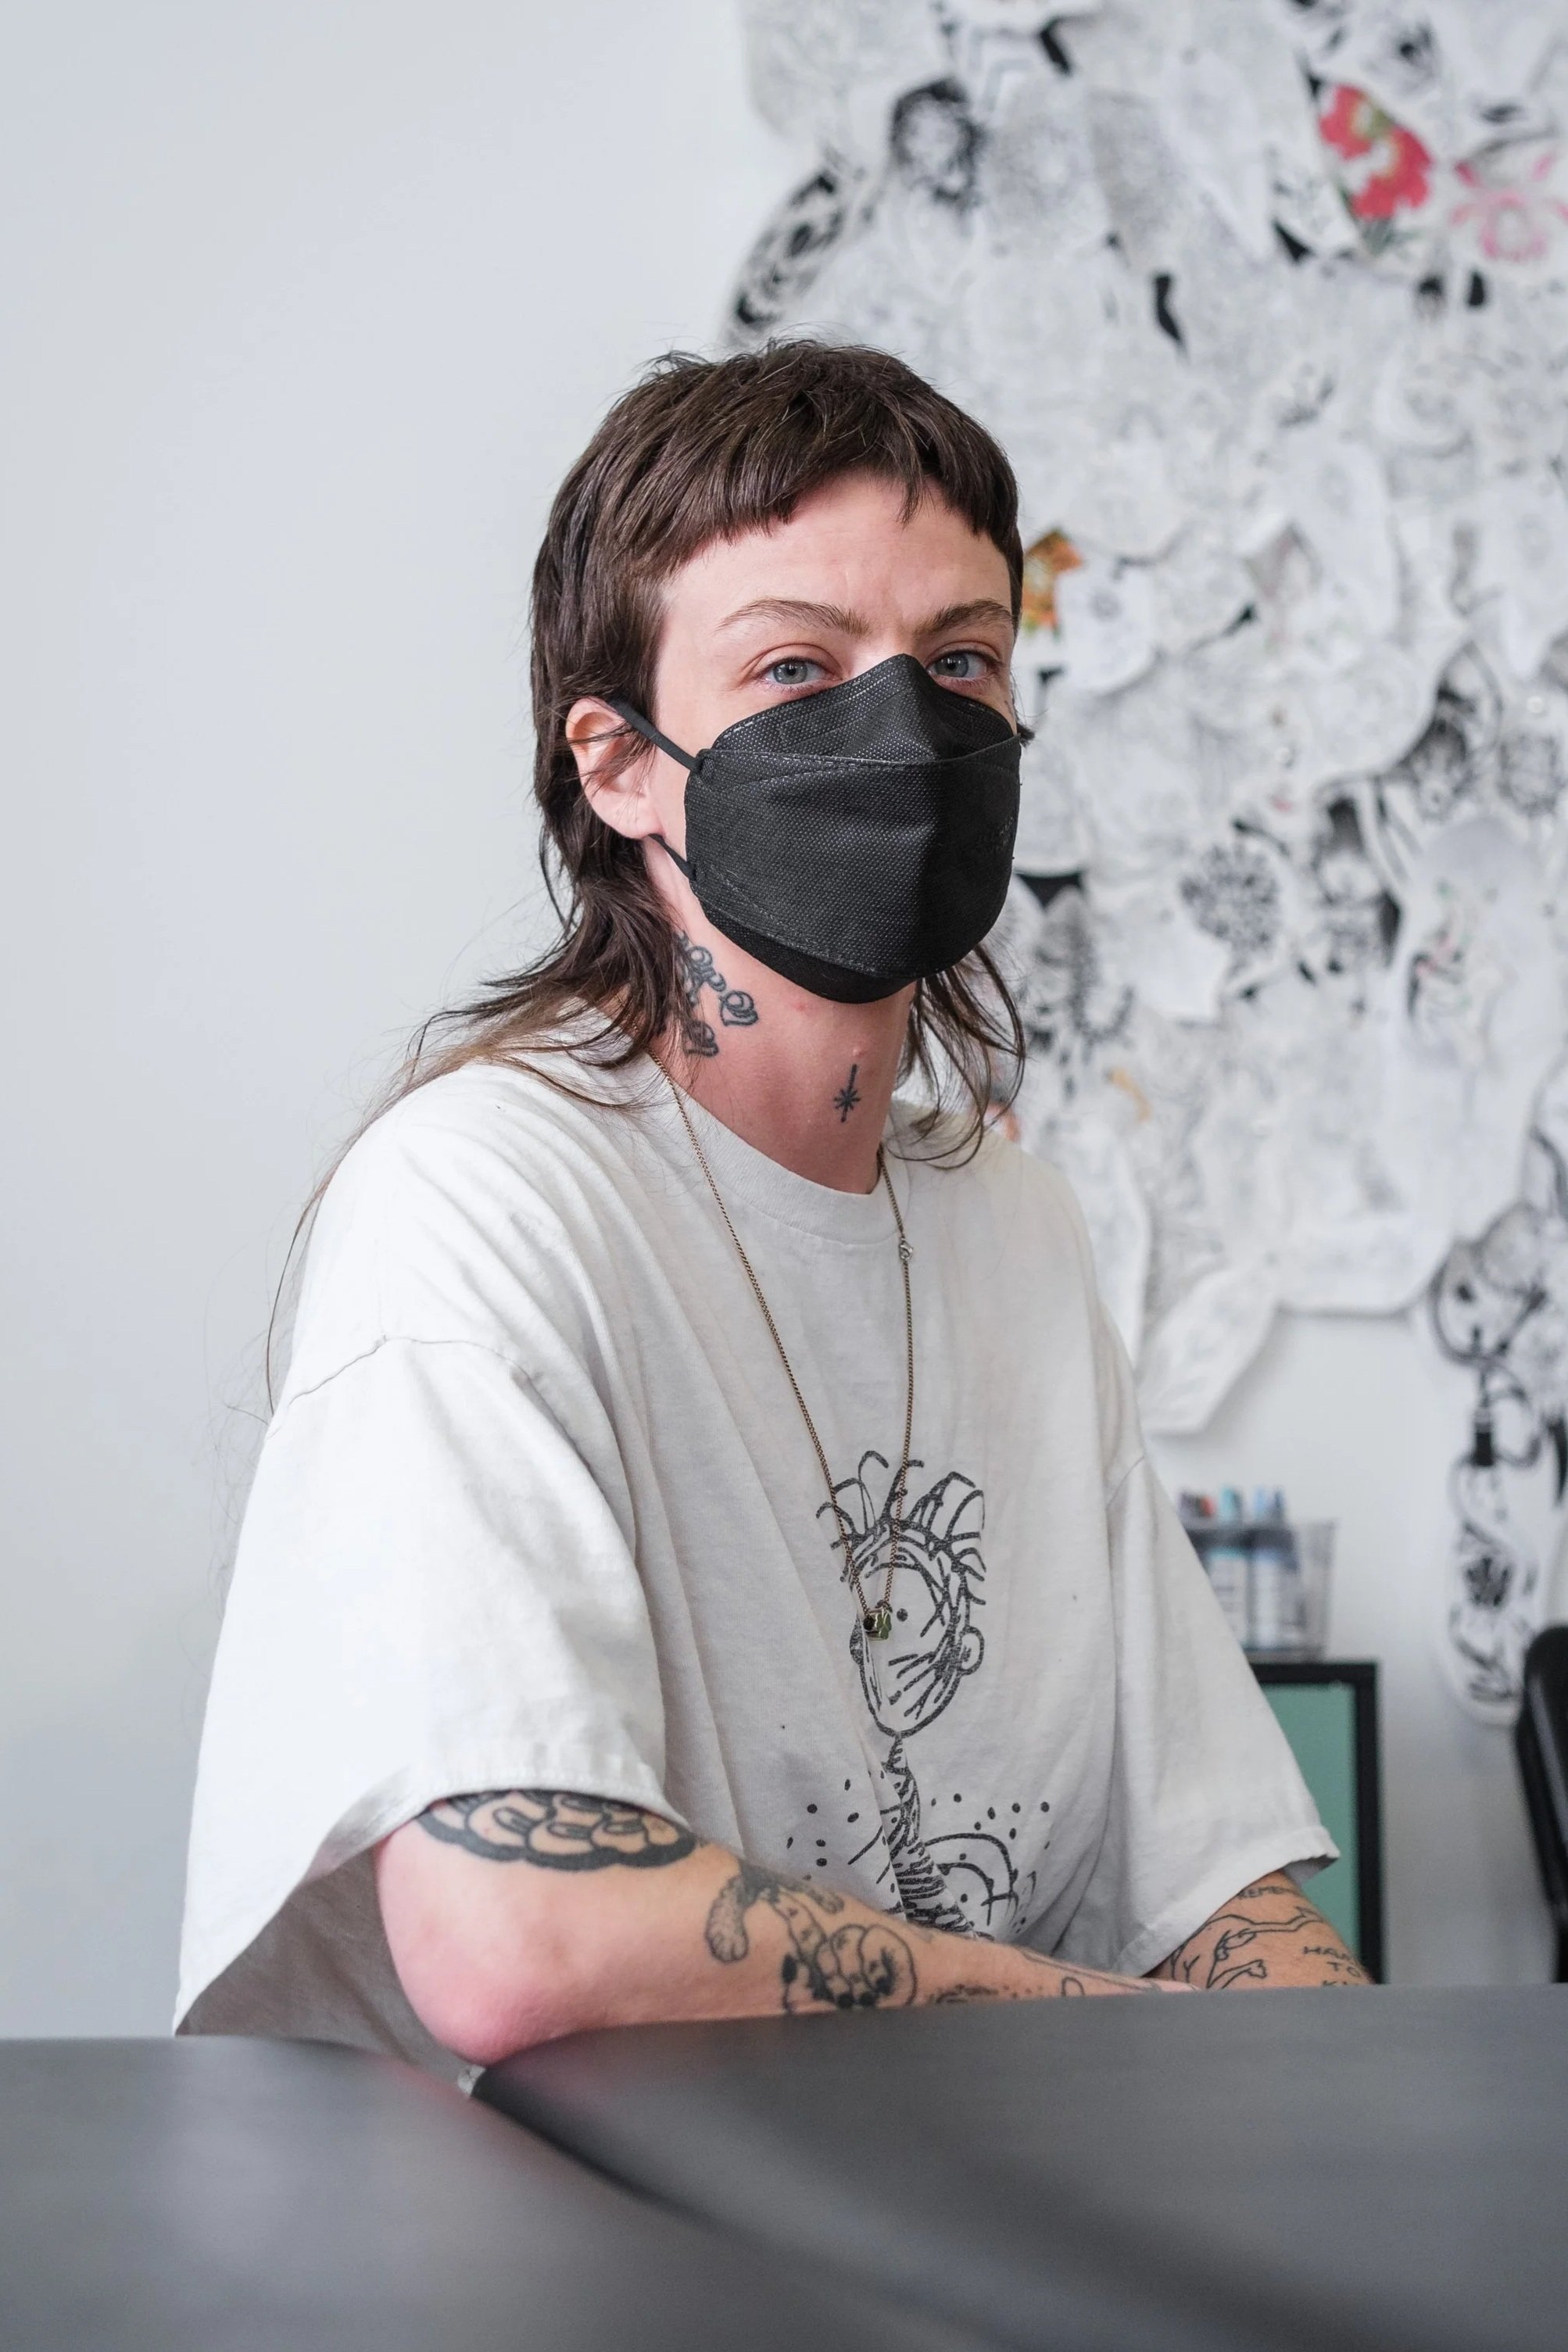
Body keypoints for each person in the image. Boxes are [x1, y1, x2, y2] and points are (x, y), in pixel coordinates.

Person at [177, 342, 1363, 2086]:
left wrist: (1354, 2086)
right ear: (619, 764)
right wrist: (1110, 2030)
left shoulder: (1009, 1227)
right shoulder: (479, 1198)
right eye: (796, 665)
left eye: (959, 660)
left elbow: (1219, 1885)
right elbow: (522, 1942)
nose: (905, 731)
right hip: (518, 2226)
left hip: (938, 2198)